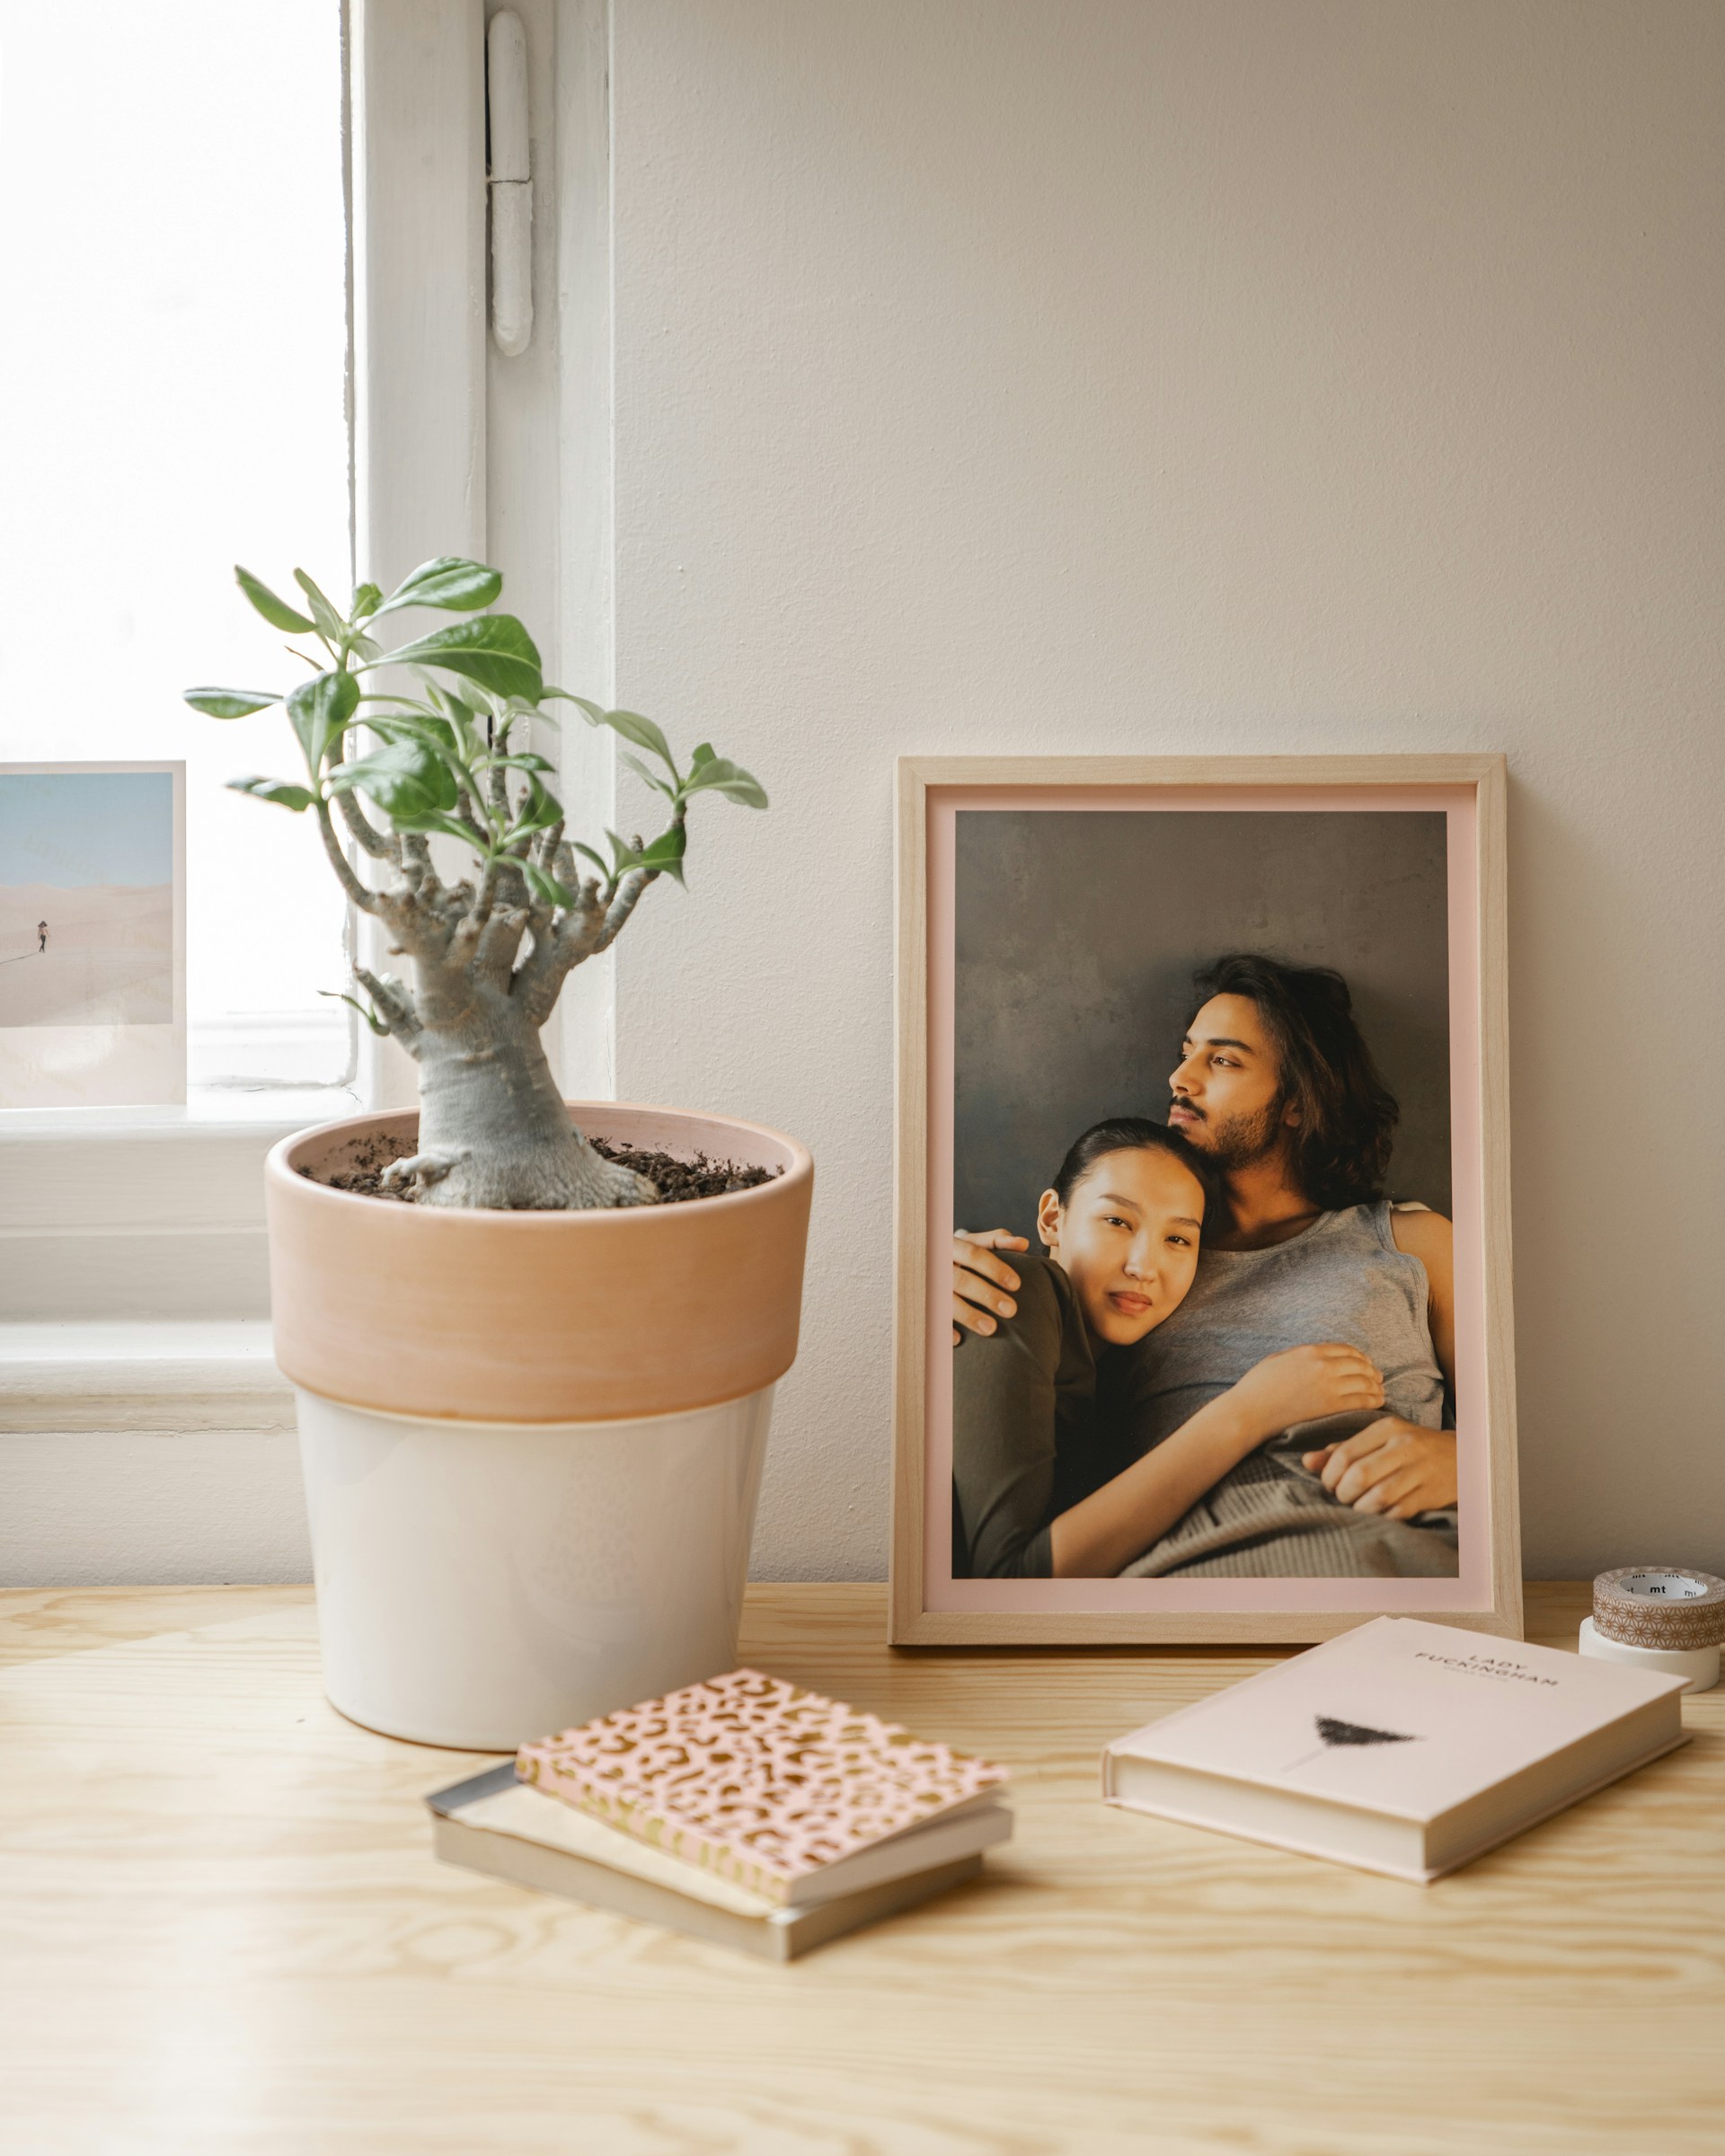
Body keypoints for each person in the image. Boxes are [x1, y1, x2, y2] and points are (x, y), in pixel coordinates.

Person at [954, 954, 1460, 1579]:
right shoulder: (1128, 1280)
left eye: (1221, 1060)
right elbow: (1030, 1362)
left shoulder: (1413, 1241)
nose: (1179, 1078)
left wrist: (1463, 1460)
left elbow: (1541, 1434)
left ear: (1297, 1102)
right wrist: (950, 1272)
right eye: (1186, 1052)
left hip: (1386, 1546)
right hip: (1193, 1569)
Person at [954, 1115, 1386, 1577]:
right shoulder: (1011, 1287)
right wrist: (1250, 1411)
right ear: (1052, 1218)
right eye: (1118, 1221)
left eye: (1178, 1238)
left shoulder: (1123, 1376)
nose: (1145, 1266)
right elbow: (1006, 1579)